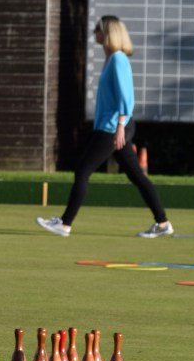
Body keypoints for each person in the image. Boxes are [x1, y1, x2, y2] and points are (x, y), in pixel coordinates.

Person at [36, 15, 173, 238]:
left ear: (108, 33)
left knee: (82, 170)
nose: (94, 33)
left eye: (97, 29)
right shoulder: (111, 59)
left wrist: (120, 127)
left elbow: (126, 98)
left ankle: (65, 224)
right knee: (137, 176)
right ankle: (163, 223)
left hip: (112, 127)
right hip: (111, 126)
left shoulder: (118, 59)